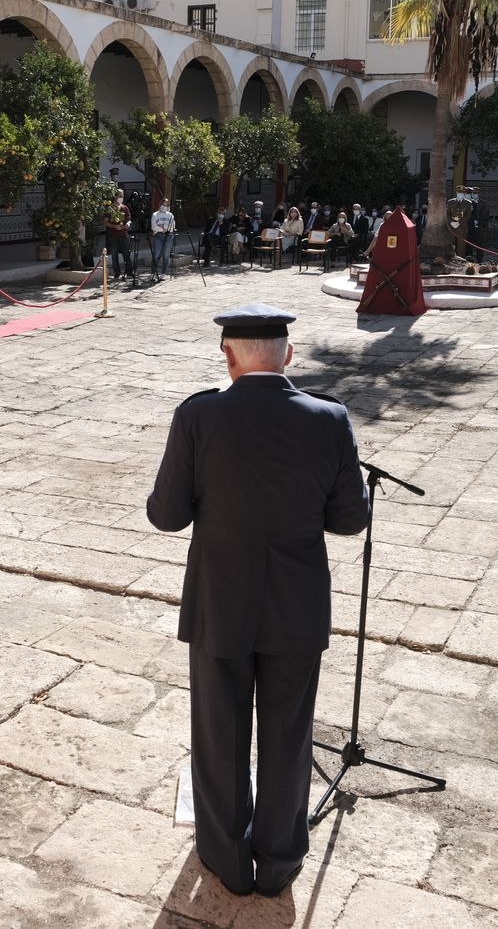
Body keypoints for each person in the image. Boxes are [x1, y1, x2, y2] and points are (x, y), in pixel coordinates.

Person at [146, 303, 368, 898]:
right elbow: (351, 520)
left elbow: (165, 516)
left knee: (219, 733)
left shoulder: (199, 416)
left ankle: (225, 855)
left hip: (221, 602)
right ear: (288, 356)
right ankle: (278, 862)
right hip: (295, 606)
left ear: (228, 354)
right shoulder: (330, 418)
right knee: (289, 736)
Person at [105, 191, 133, 281]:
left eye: (123, 196)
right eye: (120, 196)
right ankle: (117, 273)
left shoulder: (125, 208)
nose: (121, 198)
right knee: (114, 255)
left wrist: (128, 224)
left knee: (126, 254)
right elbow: (105, 222)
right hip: (113, 235)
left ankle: (129, 272)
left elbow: (129, 219)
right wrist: (115, 226)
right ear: (115, 197)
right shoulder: (110, 209)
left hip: (124, 234)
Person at [150, 198, 177, 280]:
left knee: (166, 255)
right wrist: (164, 228)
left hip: (168, 236)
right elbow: (154, 227)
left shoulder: (170, 215)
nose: (164, 206)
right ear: (160, 204)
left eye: (166, 205)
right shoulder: (155, 215)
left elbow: (172, 227)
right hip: (158, 236)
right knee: (156, 255)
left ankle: (163, 273)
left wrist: (163, 226)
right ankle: (153, 273)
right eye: (163, 204)